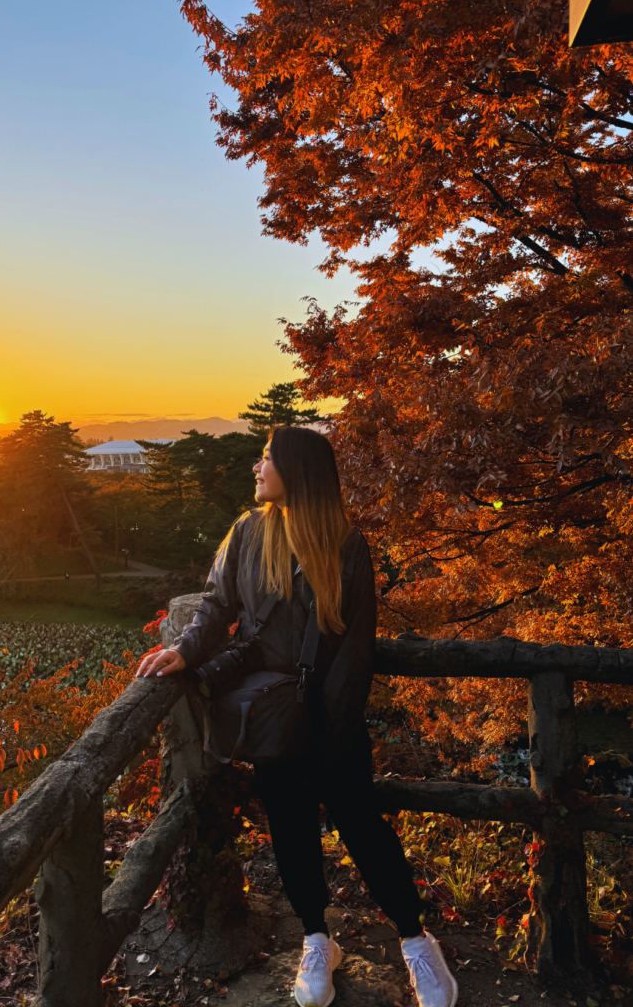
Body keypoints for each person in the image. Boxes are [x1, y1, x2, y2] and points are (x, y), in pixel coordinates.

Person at [137, 427, 457, 1007]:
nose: (258, 467)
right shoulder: (248, 533)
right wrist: (184, 649)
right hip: (271, 717)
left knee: (363, 827)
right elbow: (216, 604)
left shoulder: (346, 544)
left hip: (333, 720)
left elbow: (356, 652)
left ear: (299, 471)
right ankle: (316, 937)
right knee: (290, 832)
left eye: (268, 458)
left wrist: (332, 736)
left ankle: (416, 940)